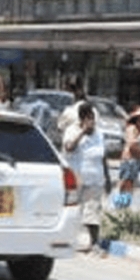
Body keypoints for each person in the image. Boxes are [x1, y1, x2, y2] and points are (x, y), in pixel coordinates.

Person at [61, 101, 107, 253]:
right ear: (82, 119)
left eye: (93, 118)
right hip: (76, 179)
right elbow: (69, 147)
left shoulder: (99, 134)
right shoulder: (71, 131)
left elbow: (103, 156)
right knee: (73, 211)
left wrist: (106, 177)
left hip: (95, 179)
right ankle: (66, 239)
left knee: (93, 211)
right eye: (89, 118)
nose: (93, 122)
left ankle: (94, 243)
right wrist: (82, 133)